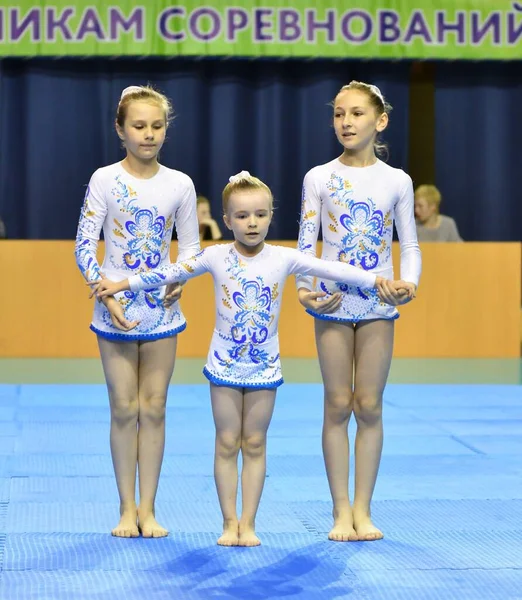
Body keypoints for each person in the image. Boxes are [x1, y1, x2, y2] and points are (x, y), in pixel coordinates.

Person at [88, 171, 411, 547]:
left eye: (260, 214)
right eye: (241, 216)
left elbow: (335, 269)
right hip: (223, 364)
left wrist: (382, 283)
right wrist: (123, 284)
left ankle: (249, 523)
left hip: (264, 366)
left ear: (272, 215)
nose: (252, 223)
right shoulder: (214, 257)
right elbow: (168, 271)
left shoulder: (285, 258)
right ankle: (229, 522)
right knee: (227, 442)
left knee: (255, 443)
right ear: (227, 220)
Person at [296, 81, 421, 542]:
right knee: (336, 403)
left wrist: (408, 284)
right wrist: (306, 291)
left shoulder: (397, 180)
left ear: (380, 121)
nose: (346, 122)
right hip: (331, 300)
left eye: (356, 114)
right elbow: (306, 244)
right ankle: (339, 510)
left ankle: (364, 510)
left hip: (377, 302)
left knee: (368, 405)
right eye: (338, 115)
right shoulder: (319, 177)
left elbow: (407, 243)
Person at [75, 85, 200, 538]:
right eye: (139, 126)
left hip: (161, 309)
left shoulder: (180, 184)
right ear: (121, 129)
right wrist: (105, 294)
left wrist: (179, 279)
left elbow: (189, 248)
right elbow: (84, 245)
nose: (148, 135)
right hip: (114, 306)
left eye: (157, 126)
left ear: (166, 129)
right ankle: (126, 508)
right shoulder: (104, 180)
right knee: (124, 408)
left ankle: (149, 508)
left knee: (156, 407)